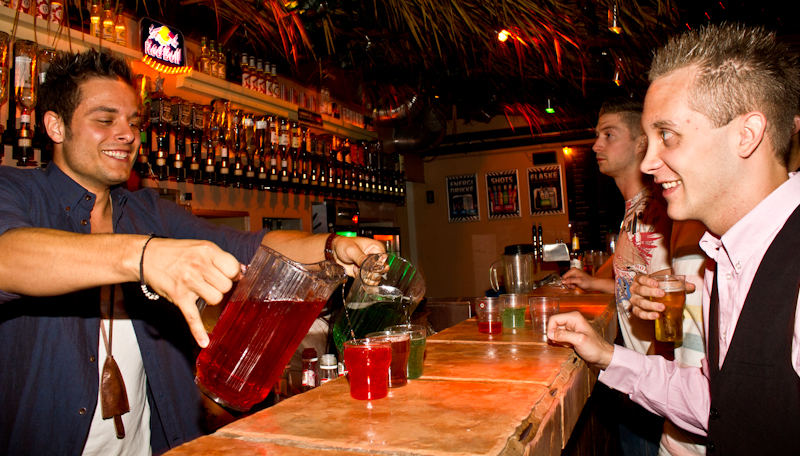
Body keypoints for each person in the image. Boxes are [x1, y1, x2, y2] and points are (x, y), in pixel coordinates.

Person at [0, 49, 384, 456]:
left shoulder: (148, 211)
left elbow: (250, 245)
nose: (128, 135)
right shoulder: (16, 190)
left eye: (134, 123)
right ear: (56, 126)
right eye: (105, 120)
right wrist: (146, 256)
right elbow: (7, 255)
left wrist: (333, 247)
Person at [548, 23, 800, 455]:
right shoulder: (724, 258)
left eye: (667, 136)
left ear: (746, 134)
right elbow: (720, 406)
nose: (648, 163)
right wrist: (608, 356)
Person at [562, 97, 673, 455]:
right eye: (597, 135)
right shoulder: (635, 211)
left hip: (654, 389)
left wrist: (644, 382)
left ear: (641, 143)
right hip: (643, 379)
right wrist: (595, 283)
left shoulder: (655, 213)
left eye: (609, 135)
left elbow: (669, 304)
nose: (596, 145)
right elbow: (641, 284)